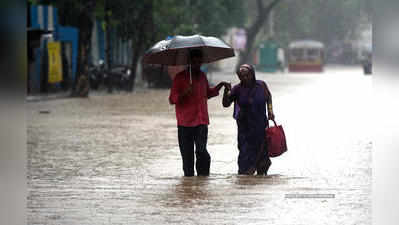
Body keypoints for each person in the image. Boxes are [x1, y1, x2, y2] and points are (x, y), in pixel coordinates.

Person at [169, 49, 230, 177]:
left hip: (201, 122)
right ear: (189, 62)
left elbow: (207, 93)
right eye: (195, 62)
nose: (197, 64)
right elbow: (172, 99)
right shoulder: (179, 78)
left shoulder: (202, 76)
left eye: (199, 62)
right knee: (187, 157)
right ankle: (190, 182)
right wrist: (185, 92)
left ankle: (203, 179)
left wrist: (220, 86)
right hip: (185, 124)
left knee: (202, 151)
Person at [222, 64, 275, 175]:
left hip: (260, 126)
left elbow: (268, 97)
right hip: (244, 128)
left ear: (252, 74)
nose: (245, 78)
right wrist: (226, 92)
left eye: (247, 75)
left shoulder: (262, 85)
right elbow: (226, 104)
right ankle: (245, 176)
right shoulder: (237, 89)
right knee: (245, 153)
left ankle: (261, 175)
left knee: (262, 154)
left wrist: (270, 111)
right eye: (242, 76)